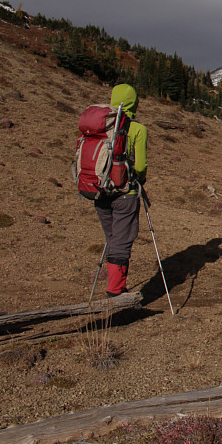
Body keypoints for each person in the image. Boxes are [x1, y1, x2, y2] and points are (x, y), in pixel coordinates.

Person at [95, 84, 148, 297]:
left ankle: (116, 285)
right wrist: (140, 181)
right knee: (122, 240)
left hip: (99, 191)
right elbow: (141, 166)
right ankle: (115, 290)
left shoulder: (101, 125)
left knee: (113, 238)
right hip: (125, 192)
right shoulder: (138, 129)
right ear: (134, 102)